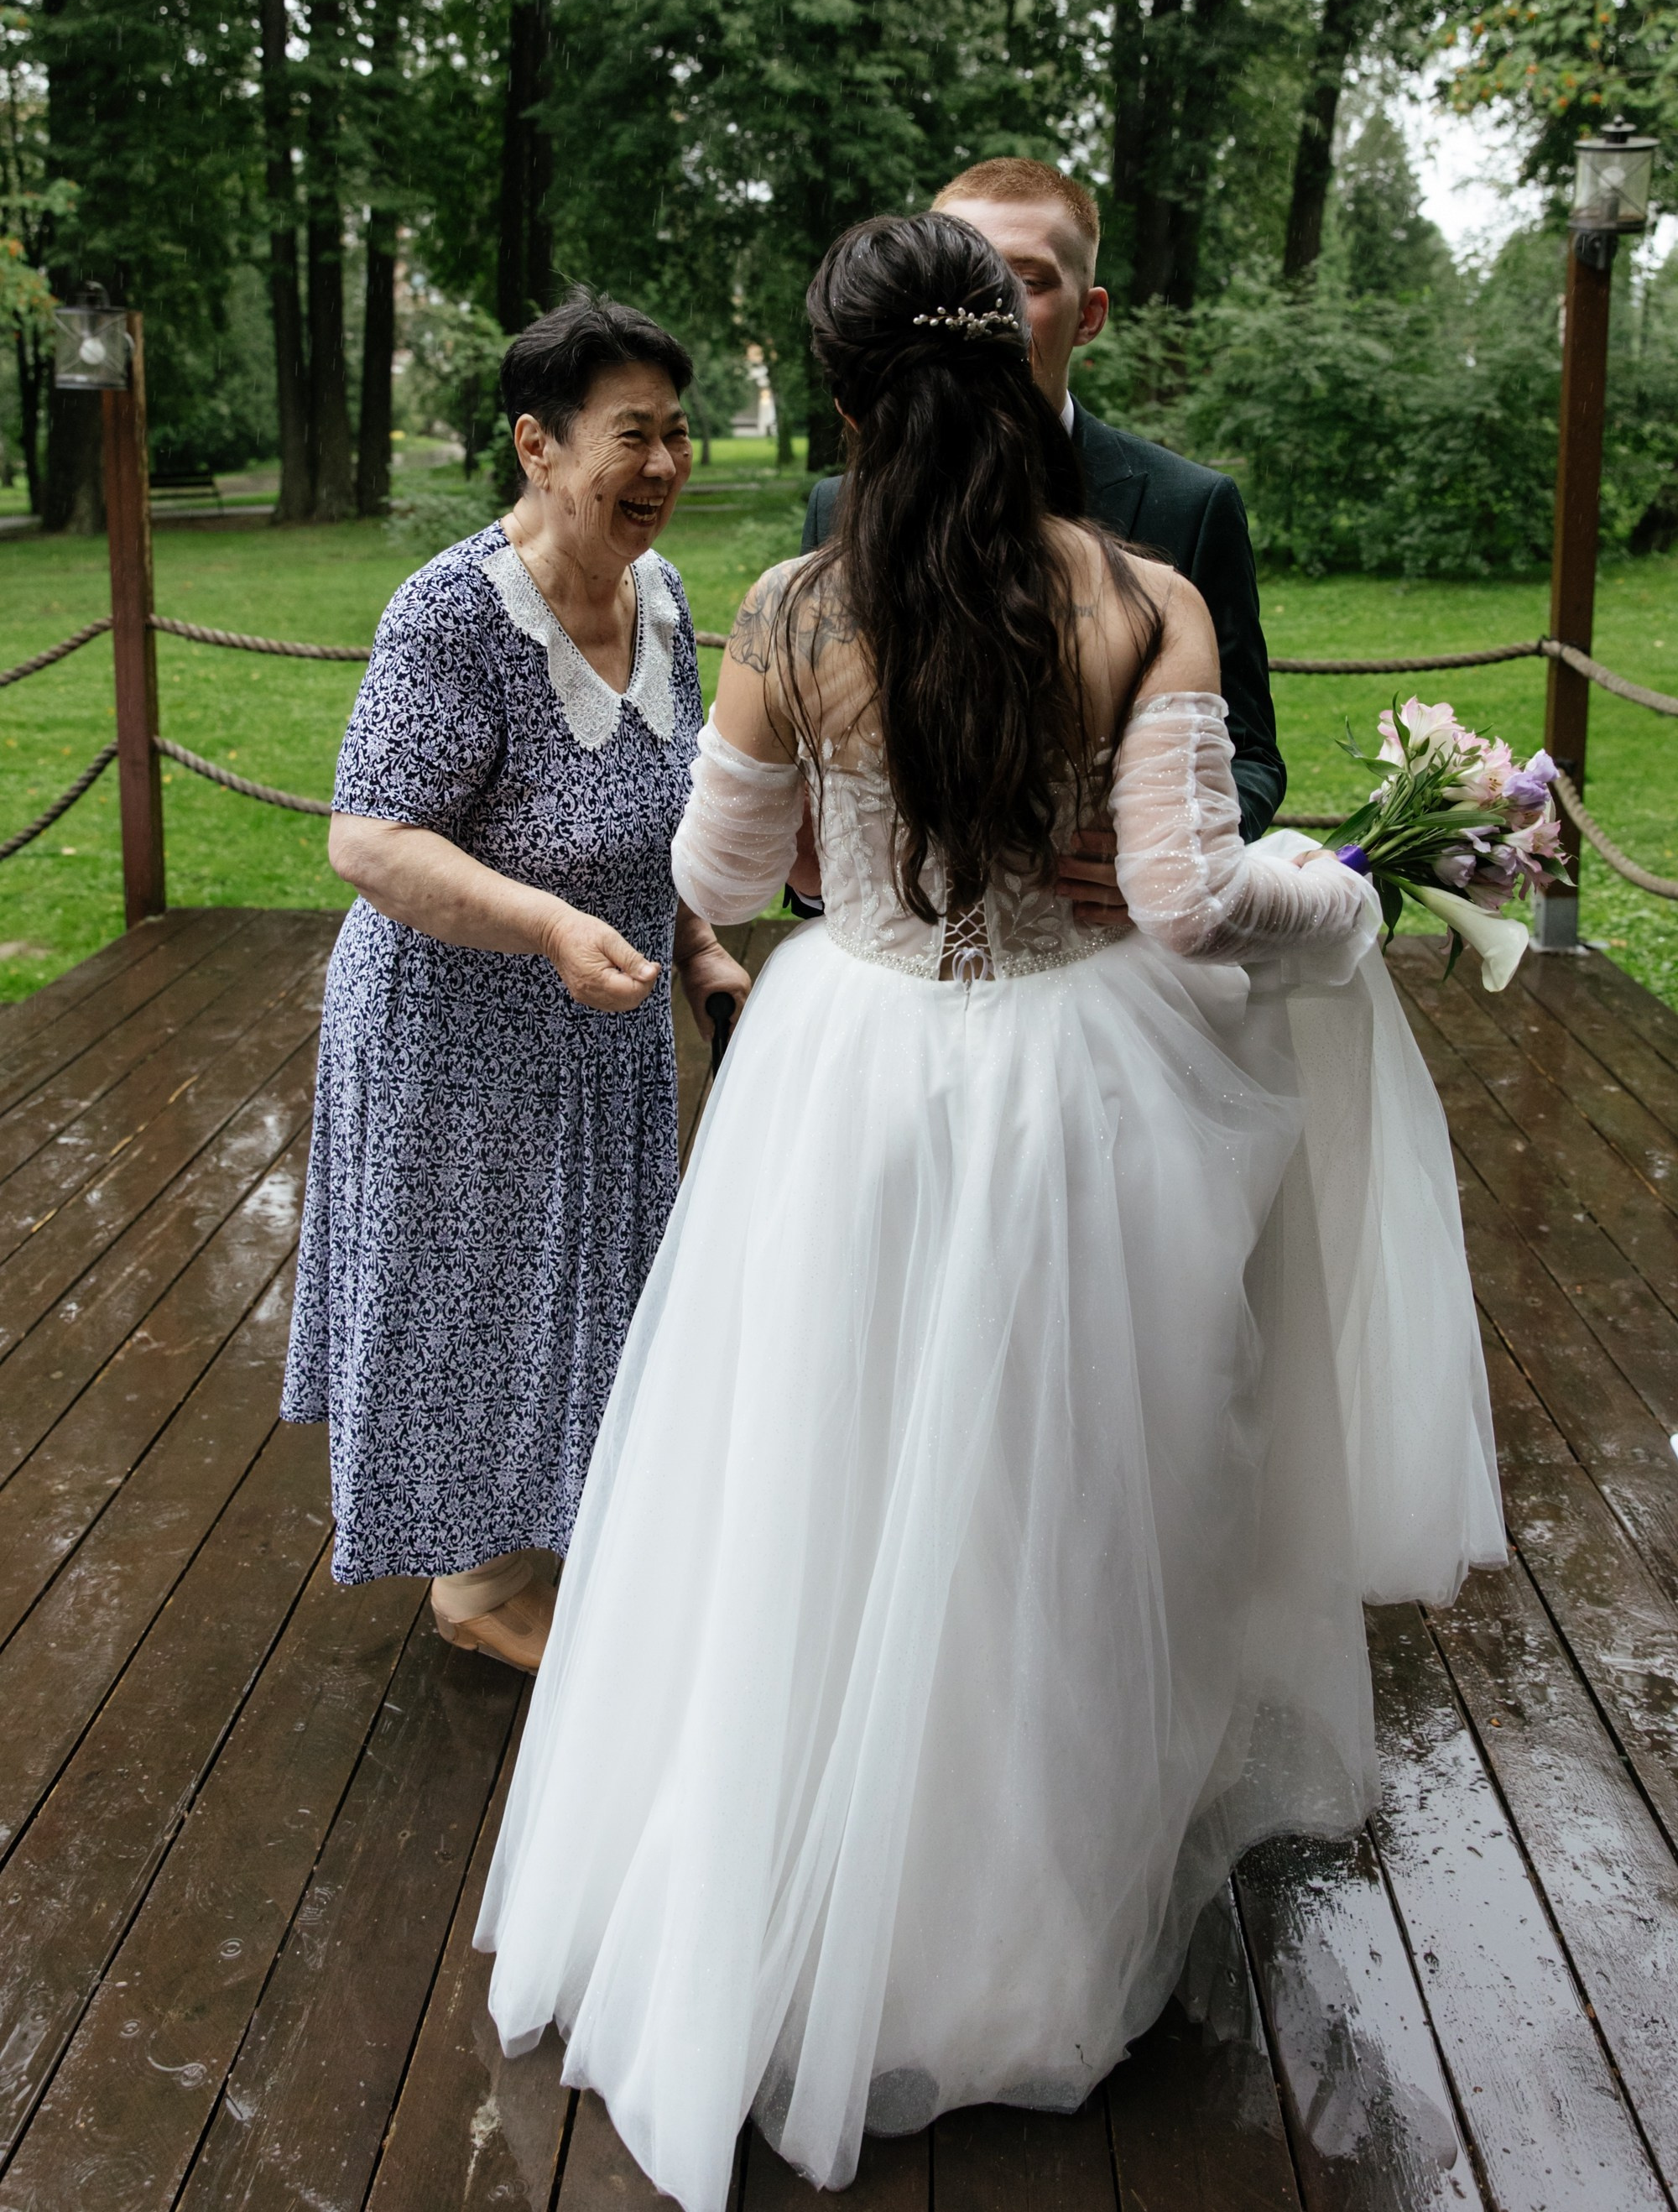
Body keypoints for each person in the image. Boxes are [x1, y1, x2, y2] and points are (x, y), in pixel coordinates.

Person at [477, 215, 1503, 2210]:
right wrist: (1350, 887)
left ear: (847, 395)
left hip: (846, 1081)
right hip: (1077, 1092)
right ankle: (1027, 1930)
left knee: (822, 1480)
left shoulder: (789, 608)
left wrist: (856, 866)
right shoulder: (1136, 595)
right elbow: (1195, 902)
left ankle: (791, 1892)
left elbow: (720, 863)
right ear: (1020, 370)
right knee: (1065, 1502)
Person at [281, 291, 751, 1675]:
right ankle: (473, 1586)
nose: (662, 466)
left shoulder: (660, 594)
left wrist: (705, 948)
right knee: (471, 1298)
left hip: (598, 1027)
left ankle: (566, 1522)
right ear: (538, 446)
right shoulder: (451, 612)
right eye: (631, 436)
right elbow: (366, 837)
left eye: (678, 435)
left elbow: (657, 809)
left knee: (588, 1284)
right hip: (455, 1030)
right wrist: (547, 924)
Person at [800, 157, 1284, 848]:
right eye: (964, 283)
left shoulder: (1190, 505)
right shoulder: (838, 505)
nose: (993, 311)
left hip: (1118, 930)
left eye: (1024, 283)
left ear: (1089, 317)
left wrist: (1166, 852)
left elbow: (1250, 755)